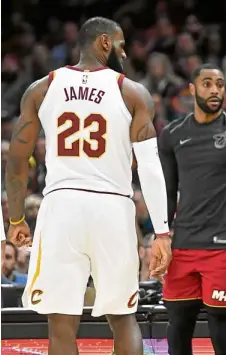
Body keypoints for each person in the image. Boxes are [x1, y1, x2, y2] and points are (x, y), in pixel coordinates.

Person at [5, 17, 170, 355]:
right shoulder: (132, 92)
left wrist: (17, 219)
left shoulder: (42, 88)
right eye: (121, 44)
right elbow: (151, 168)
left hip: (62, 207)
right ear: (105, 43)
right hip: (112, 207)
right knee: (123, 317)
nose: (124, 53)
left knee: (61, 324)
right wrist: (162, 232)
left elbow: (18, 161)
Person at [154, 63, 226, 355]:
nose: (215, 90)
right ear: (192, 89)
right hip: (183, 245)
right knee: (177, 325)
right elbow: (166, 192)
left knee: (220, 328)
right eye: (207, 83)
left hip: (224, 246)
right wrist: (161, 236)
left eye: (219, 84)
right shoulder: (171, 134)